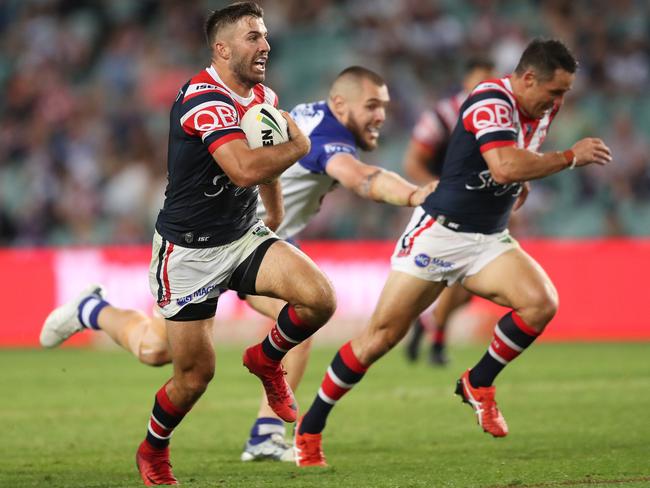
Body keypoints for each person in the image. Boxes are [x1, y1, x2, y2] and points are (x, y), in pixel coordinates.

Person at [40, 64, 437, 472]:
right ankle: (264, 433)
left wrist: (276, 215)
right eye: (372, 105)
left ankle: (94, 310)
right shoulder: (326, 136)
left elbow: (268, 165)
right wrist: (415, 194)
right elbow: (362, 178)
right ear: (340, 103)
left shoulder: (304, 115)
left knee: (166, 346)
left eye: (384, 107)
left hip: (251, 240)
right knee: (165, 351)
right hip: (210, 244)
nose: (381, 117)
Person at [41, 3, 338, 485]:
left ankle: (266, 358)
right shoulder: (204, 100)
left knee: (320, 299)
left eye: (264, 35)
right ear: (221, 49)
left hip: (242, 238)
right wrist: (300, 148)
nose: (265, 45)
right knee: (184, 371)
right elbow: (242, 167)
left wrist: (275, 210)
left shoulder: (262, 94)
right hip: (189, 254)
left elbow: (265, 160)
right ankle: (148, 438)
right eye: (252, 37)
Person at [293, 38, 612, 467]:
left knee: (540, 303)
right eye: (555, 91)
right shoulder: (490, 99)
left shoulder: (541, 106)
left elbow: (515, 159)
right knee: (379, 339)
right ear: (529, 78)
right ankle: (309, 429)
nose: (558, 101)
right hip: (439, 233)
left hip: (487, 237)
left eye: (564, 93)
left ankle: (478, 383)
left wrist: (525, 177)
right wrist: (568, 157)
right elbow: (502, 165)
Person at [403, 58, 496, 366]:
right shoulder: (443, 115)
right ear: (466, 82)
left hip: (480, 206)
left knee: (466, 287)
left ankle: (428, 325)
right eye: (479, 81)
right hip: (443, 208)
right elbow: (413, 161)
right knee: (456, 279)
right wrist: (440, 188)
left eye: (489, 81)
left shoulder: (498, 116)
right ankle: (438, 342)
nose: (485, 88)